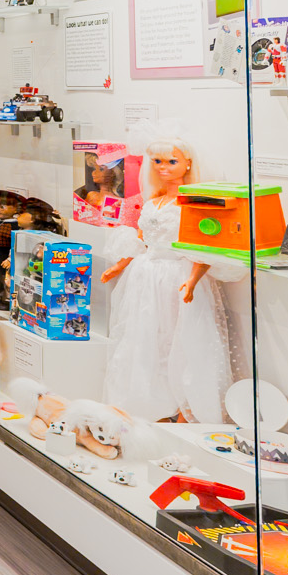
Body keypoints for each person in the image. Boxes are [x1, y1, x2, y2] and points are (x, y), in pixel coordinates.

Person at [99, 122, 241, 423]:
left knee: (181, 341)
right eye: (158, 161)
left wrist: (192, 280)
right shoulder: (155, 200)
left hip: (176, 276)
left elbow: (202, 246)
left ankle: (182, 408)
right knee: (143, 340)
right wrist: (119, 265)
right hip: (145, 276)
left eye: (171, 161)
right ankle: (149, 405)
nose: (164, 167)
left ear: (188, 163)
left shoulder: (191, 203)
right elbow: (141, 237)